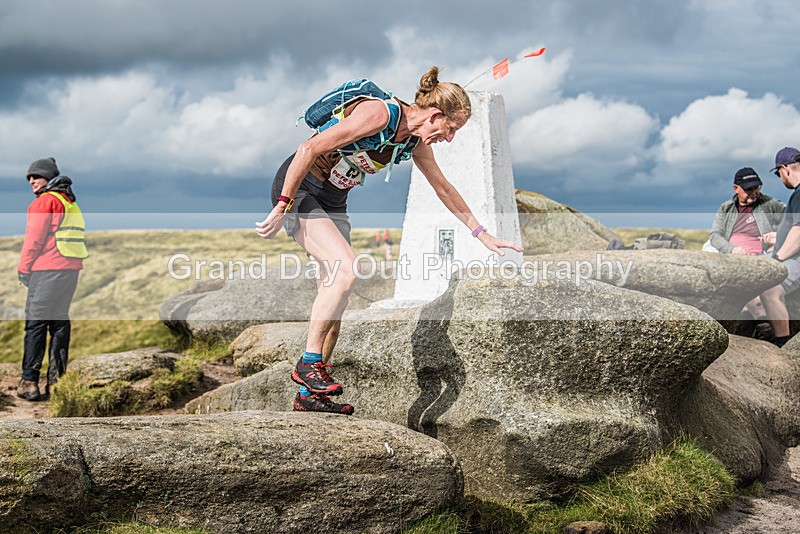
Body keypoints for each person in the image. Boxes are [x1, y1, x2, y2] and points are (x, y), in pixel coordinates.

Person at [255, 67, 523, 414]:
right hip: (301, 189)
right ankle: (307, 365)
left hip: (334, 202)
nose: (450, 137)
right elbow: (308, 149)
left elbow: (443, 188)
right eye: (451, 128)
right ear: (436, 115)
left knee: (335, 301)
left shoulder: (413, 142)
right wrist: (283, 204)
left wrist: (481, 233)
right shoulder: (380, 114)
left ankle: (310, 397)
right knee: (347, 270)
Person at [16, 158, 87, 401]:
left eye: (36, 176)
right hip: (70, 270)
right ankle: (57, 384)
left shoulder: (44, 202)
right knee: (59, 324)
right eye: (29, 178)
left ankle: (29, 382)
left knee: (36, 324)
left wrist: (24, 268)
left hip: (46, 270)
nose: (31, 181)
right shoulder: (69, 201)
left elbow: (34, 239)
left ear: (48, 177)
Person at [759, 147, 800, 347]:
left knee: (770, 291)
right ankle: (764, 324)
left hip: (795, 259)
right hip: (790, 254)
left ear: (785, 169)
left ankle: (782, 345)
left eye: (778, 174)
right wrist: (779, 238)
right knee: (750, 275)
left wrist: (778, 259)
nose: (780, 178)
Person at [708, 167, 784, 255]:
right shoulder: (726, 208)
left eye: (756, 188)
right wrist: (732, 249)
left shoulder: (771, 204)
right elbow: (715, 235)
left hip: (764, 257)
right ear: (736, 188)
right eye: (749, 189)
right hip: (732, 257)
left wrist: (778, 237)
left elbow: (793, 223)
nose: (754, 192)